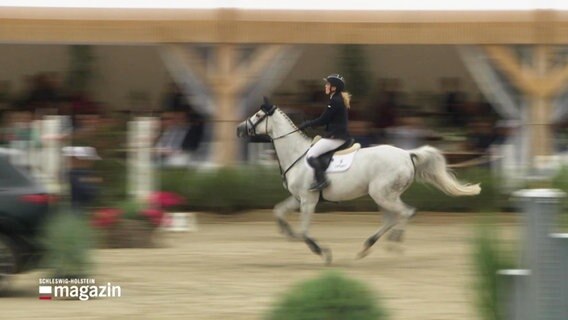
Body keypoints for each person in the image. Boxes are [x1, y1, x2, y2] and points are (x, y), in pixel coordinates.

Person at [299, 74, 351, 191]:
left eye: (328, 84)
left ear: (334, 87)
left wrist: (307, 124)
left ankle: (322, 181)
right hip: (336, 135)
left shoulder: (335, 101)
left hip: (336, 137)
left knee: (311, 155)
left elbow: (323, 119)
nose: (325, 86)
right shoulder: (336, 99)